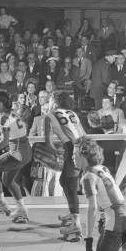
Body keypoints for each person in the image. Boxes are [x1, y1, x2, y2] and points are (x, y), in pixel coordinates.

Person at [0, 90, 32, 223]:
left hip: (17, 153)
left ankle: (1, 203)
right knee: (7, 180)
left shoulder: (2, 117)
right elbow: (16, 133)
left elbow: (4, 141)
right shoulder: (13, 113)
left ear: (0, 104)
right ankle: (22, 209)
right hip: (26, 151)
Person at [44, 92, 85, 241]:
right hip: (84, 145)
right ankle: (73, 214)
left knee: (71, 186)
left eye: (50, 100)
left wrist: (54, 153)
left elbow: (48, 142)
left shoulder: (49, 115)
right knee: (64, 181)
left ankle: (76, 226)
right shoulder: (72, 112)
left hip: (72, 148)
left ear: (54, 102)